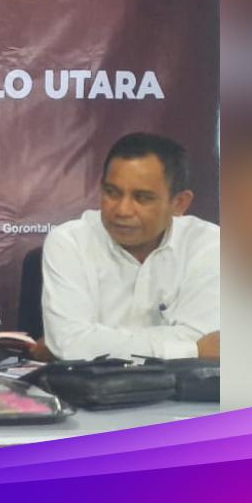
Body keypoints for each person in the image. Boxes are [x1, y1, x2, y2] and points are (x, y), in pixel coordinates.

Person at [42, 132, 220, 360]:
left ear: (179, 203)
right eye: (112, 193)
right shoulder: (70, 242)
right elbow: (72, 344)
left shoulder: (210, 245)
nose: (122, 210)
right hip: (91, 383)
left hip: (183, 383)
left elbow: (208, 337)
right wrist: (190, 350)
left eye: (142, 198)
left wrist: (96, 340)